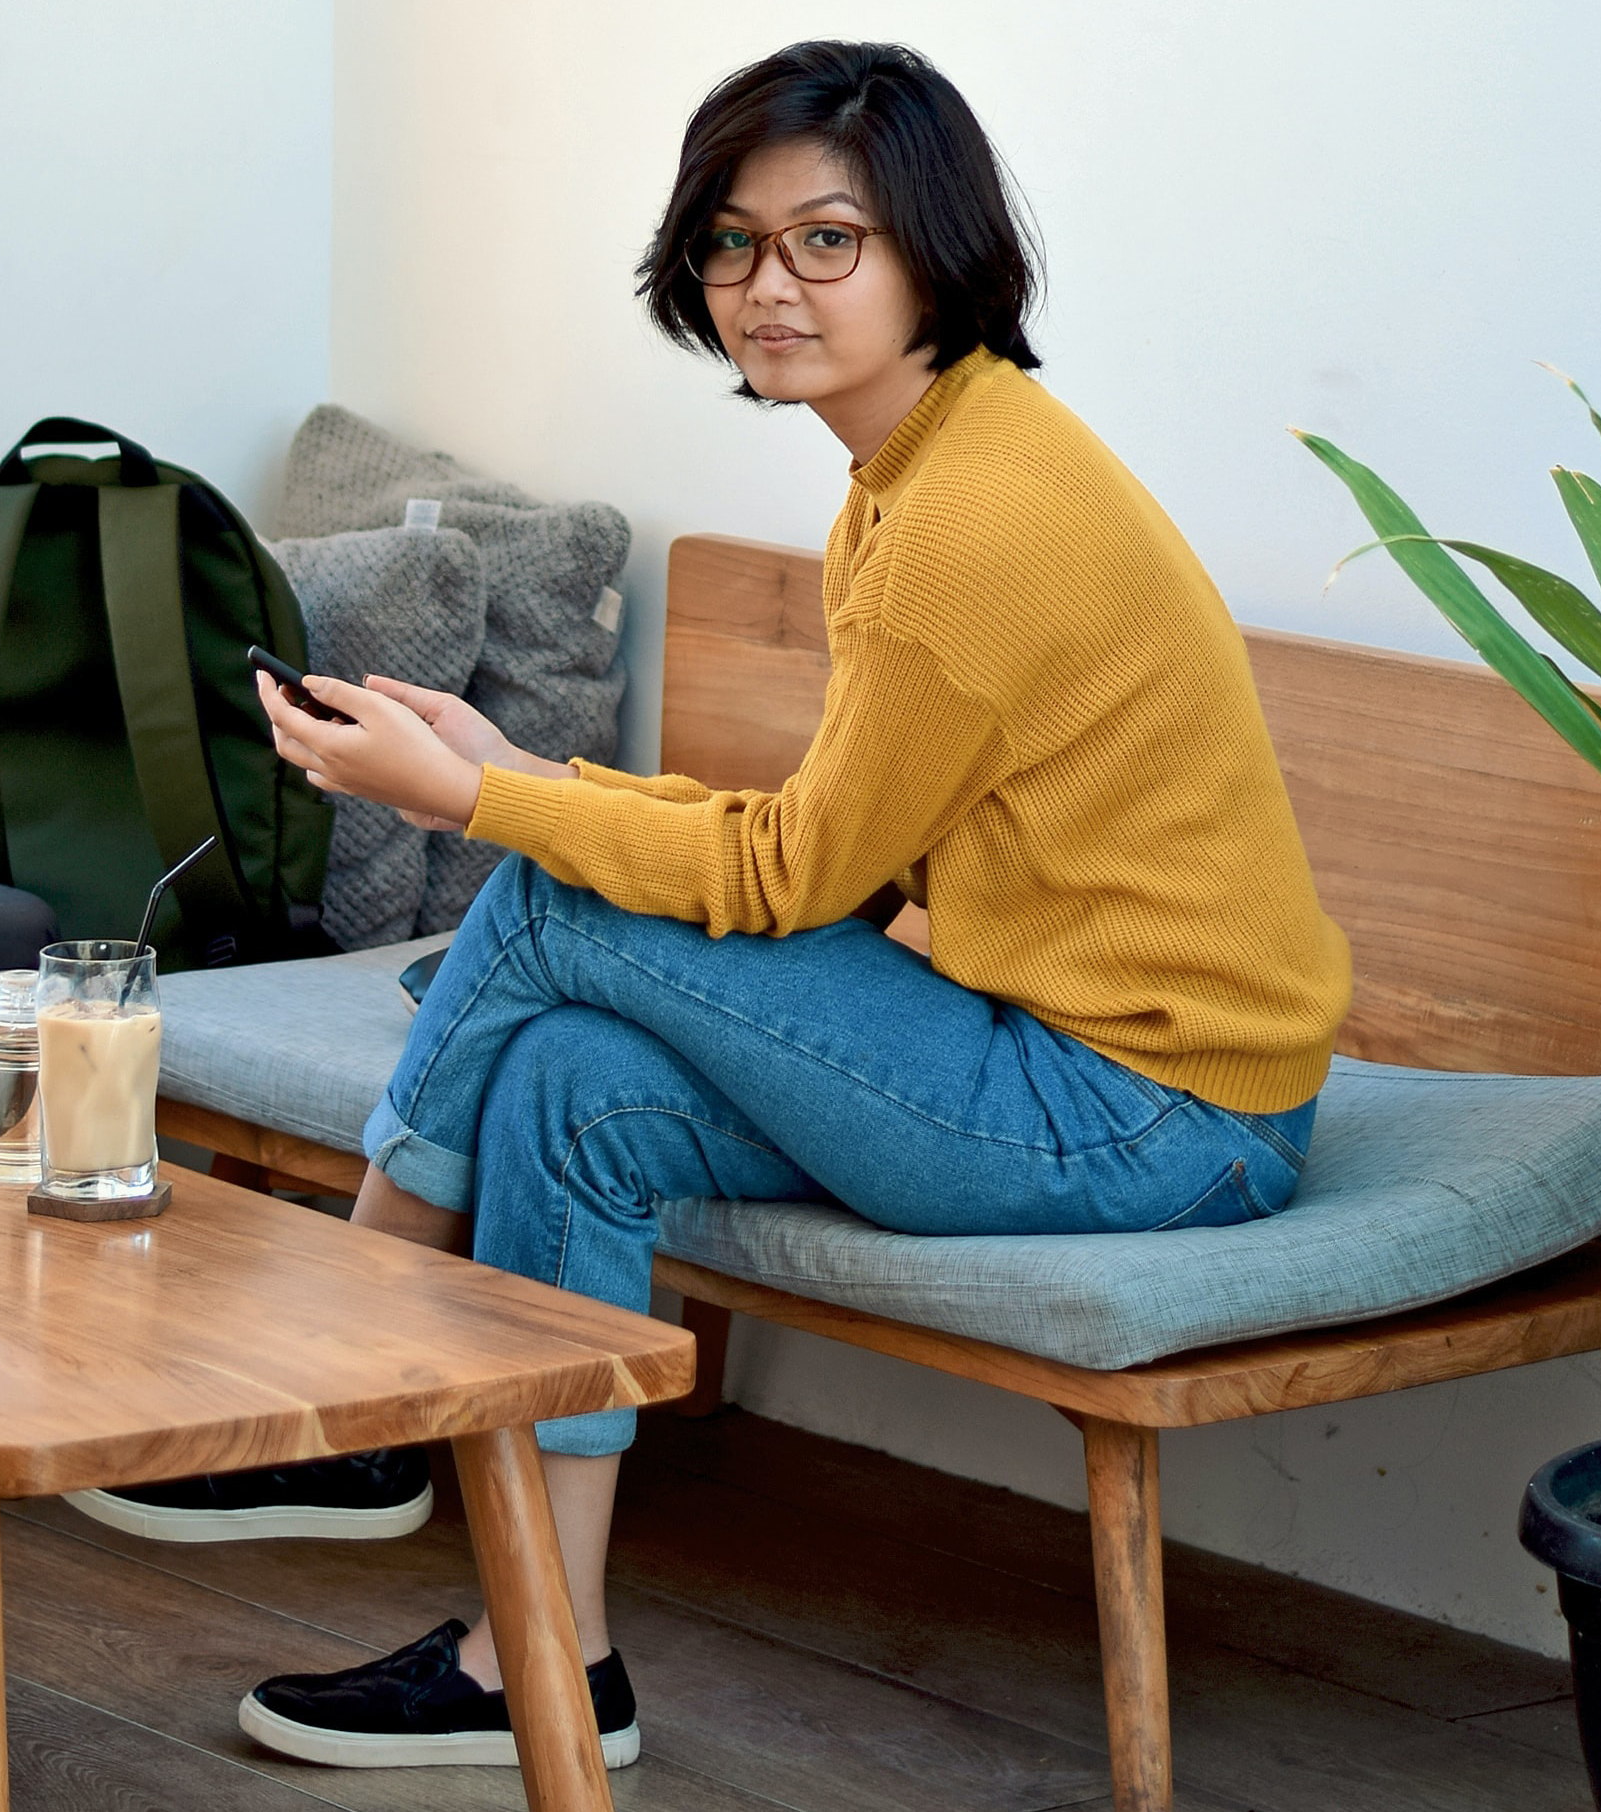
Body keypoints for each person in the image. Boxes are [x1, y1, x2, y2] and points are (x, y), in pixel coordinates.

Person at [95, 38, 1352, 1772]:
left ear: (938, 249)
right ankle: (542, 1657)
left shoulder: (966, 521)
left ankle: (349, 1395)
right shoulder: (924, 468)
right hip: (1040, 1051)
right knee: (566, 1092)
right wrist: (518, 772)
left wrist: (487, 803)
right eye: (734, 244)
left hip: (1155, 1118)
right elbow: (824, 839)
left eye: (828, 240)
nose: (772, 288)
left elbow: (785, 881)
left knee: (540, 914)